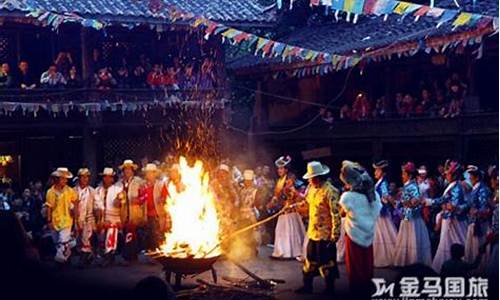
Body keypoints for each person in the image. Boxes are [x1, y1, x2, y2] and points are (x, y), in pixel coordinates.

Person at [295, 161, 340, 295]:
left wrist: (335, 233)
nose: (309, 180)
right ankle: (307, 286)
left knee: (327, 262)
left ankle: (329, 289)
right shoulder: (311, 189)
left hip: (326, 234)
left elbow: (335, 213)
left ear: (318, 177)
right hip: (313, 232)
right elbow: (307, 204)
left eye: (311, 177)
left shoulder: (330, 191)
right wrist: (297, 206)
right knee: (309, 261)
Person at [338, 160, 381, 297]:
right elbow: (376, 212)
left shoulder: (347, 197)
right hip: (368, 234)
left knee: (355, 267)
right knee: (367, 265)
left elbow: (342, 212)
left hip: (353, 234)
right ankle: (367, 290)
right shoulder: (373, 196)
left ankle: (356, 293)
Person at [431, 160, 469, 273]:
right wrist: (430, 201)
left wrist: (448, 207)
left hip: (453, 220)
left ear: (454, 175)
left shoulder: (456, 187)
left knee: (456, 240)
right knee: (447, 241)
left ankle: (460, 266)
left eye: (447, 173)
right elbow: (443, 200)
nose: (445, 175)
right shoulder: (451, 186)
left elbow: (454, 205)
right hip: (448, 218)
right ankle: (445, 266)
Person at [393, 162, 432, 266]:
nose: (402, 176)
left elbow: (416, 201)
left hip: (413, 218)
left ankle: (413, 262)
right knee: (405, 238)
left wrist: (407, 203)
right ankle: (405, 261)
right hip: (406, 217)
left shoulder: (413, 186)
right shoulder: (407, 186)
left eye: (404, 174)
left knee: (412, 239)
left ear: (409, 175)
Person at [268, 156, 305, 259]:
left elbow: (293, 193)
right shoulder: (280, 181)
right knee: (281, 230)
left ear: (286, 169)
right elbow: (277, 195)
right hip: (283, 209)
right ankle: (281, 251)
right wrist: (273, 202)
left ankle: (290, 252)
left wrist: (285, 199)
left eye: (281, 168)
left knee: (289, 230)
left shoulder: (290, 179)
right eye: (278, 168)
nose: (279, 170)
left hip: (290, 209)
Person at [45, 167, 78, 263]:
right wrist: (49, 220)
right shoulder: (50, 192)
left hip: (67, 220)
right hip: (55, 220)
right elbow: (49, 207)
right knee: (57, 242)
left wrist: (75, 218)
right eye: (63, 178)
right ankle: (66, 257)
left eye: (66, 178)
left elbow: (75, 202)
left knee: (62, 241)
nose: (65, 180)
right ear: (57, 179)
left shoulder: (70, 191)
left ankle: (60, 259)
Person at [116, 160, 144, 262]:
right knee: (125, 234)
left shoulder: (139, 182)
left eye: (129, 169)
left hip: (135, 212)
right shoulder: (119, 184)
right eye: (125, 169)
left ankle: (133, 256)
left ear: (132, 171)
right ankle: (127, 256)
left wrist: (138, 200)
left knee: (133, 234)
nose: (127, 171)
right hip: (124, 213)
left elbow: (144, 196)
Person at [95, 167, 123, 267]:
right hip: (102, 218)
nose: (107, 179)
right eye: (105, 177)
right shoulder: (98, 190)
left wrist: (118, 200)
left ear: (112, 178)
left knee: (111, 238)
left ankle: (109, 257)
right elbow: (97, 205)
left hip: (114, 219)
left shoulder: (118, 189)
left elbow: (120, 203)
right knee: (101, 239)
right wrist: (99, 220)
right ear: (103, 178)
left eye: (109, 177)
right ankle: (104, 257)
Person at [464, 165, 491, 265]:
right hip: (472, 221)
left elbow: (484, 207)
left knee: (477, 246)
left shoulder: (483, 189)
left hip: (479, 223)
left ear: (477, 177)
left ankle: (479, 269)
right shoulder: (475, 188)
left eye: (471, 175)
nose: (469, 177)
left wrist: (477, 212)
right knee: (471, 246)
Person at [372, 160, 397, 267]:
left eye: (377, 170)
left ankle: (389, 257)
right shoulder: (380, 182)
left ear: (383, 172)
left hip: (381, 212)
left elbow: (386, 196)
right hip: (378, 211)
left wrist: (385, 201)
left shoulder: (383, 183)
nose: (375, 173)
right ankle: (382, 256)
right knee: (380, 235)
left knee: (384, 235)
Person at [138, 163, 168, 251]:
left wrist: (162, 199)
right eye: (148, 173)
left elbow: (166, 196)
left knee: (157, 234)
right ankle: (152, 251)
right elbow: (141, 198)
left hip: (157, 214)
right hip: (147, 214)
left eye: (151, 173)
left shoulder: (160, 184)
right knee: (149, 235)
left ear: (155, 174)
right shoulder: (143, 185)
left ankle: (159, 251)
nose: (149, 175)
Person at [74, 168, 98, 267]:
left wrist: (98, 213)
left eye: (87, 177)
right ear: (79, 178)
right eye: (83, 177)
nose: (85, 179)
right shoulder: (73, 191)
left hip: (88, 218)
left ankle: (83, 259)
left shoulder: (92, 191)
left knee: (86, 239)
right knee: (77, 240)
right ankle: (88, 255)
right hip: (76, 218)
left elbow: (97, 204)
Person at [237, 170, 261, 255]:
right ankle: (242, 248)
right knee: (242, 232)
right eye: (246, 181)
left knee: (251, 232)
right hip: (242, 213)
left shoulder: (255, 191)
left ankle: (253, 249)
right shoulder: (241, 190)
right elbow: (239, 202)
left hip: (251, 213)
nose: (247, 182)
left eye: (249, 181)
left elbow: (257, 203)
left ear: (251, 181)